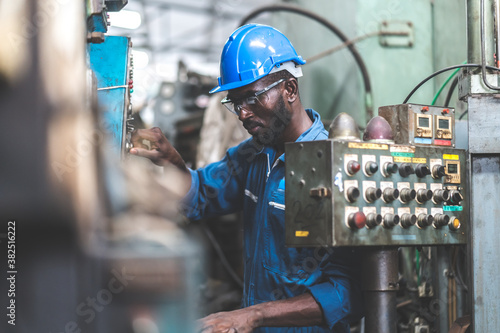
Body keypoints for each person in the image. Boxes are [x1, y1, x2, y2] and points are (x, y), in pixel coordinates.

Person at [130, 23, 363, 333]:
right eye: (235, 103)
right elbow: (199, 195)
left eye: (252, 98)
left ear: (289, 90)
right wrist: (171, 159)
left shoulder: (334, 167)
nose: (242, 114)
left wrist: (254, 315)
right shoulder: (254, 155)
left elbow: (347, 296)